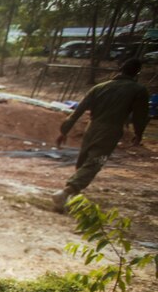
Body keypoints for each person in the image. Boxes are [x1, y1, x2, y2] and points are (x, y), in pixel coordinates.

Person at [51, 57, 150, 212]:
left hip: (92, 128)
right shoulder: (138, 90)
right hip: (111, 130)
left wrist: (64, 131)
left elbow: (78, 110)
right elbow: (140, 116)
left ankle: (69, 197)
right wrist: (139, 134)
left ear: (120, 69)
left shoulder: (100, 87)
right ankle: (66, 192)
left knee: (83, 162)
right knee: (96, 162)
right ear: (137, 72)